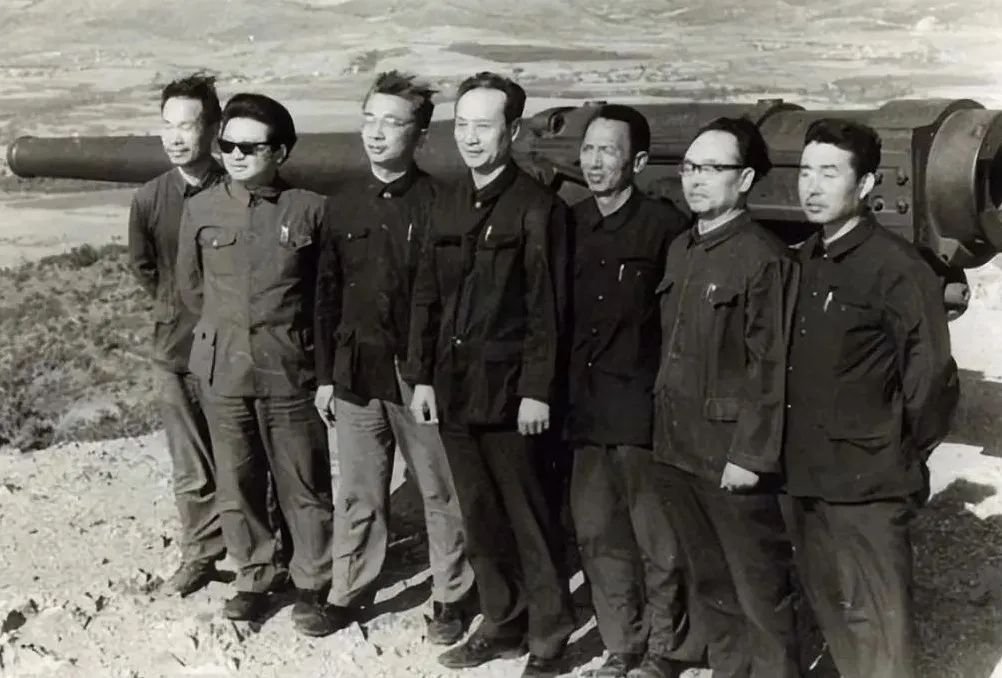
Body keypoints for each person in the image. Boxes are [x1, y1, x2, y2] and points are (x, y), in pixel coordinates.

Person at [407, 71, 575, 678]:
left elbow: (548, 310)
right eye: (463, 125)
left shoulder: (539, 208)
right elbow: (426, 295)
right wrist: (422, 377)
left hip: (512, 397)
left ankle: (549, 638)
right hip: (455, 390)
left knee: (529, 518)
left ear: (513, 130)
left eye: (484, 125)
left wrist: (536, 391)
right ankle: (503, 624)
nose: (471, 137)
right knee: (479, 517)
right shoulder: (448, 202)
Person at [783, 118, 958, 678]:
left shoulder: (897, 267)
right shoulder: (804, 260)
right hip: (808, 476)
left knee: (880, 629)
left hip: (869, 483)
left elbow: (931, 377)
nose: (811, 186)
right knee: (834, 611)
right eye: (805, 172)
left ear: (864, 185)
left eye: (829, 173)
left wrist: (897, 452)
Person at [312, 70, 476, 642]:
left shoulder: (443, 204)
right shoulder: (342, 205)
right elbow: (326, 296)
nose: (376, 133)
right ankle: (348, 591)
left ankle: (452, 596)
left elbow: (451, 302)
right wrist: (326, 377)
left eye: (392, 122)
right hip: (356, 373)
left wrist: (431, 375)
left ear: (421, 135)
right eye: (369, 120)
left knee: (440, 489)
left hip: (420, 377)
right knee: (359, 491)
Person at [176, 93, 336, 636]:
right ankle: (255, 576)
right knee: (237, 479)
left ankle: (313, 580)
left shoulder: (310, 209)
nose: (236, 156)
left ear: (281, 152)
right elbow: (191, 289)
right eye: (227, 146)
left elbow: (324, 295)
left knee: (303, 478)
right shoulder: (200, 208)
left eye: (250, 147)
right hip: (223, 368)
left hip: (289, 365)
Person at [651, 117, 799, 678]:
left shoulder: (764, 258)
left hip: (732, 456)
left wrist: (751, 455)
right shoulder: (682, 248)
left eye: (713, 168)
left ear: (746, 179)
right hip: (679, 447)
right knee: (711, 580)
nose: (696, 179)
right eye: (690, 167)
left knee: (759, 586)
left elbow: (772, 368)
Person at [564, 105, 688, 678]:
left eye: (608, 151)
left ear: (637, 162)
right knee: (597, 532)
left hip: (642, 410)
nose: (594, 163)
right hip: (585, 409)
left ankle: (665, 650)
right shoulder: (570, 223)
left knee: (657, 540)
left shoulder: (666, 228)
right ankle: (622, 644)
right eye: (588, 150)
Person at [128, 73, 226, 597]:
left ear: (212, 128)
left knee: (244, 456)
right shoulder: (149, 199)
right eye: (167, 125)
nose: (175, 137)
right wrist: (174, 308)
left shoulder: (236, 189)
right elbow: (144, 267)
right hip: (173, 350)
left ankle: (267, 557)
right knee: (190, 467)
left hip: (230, 351)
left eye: (187, 126)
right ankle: (201, 556)